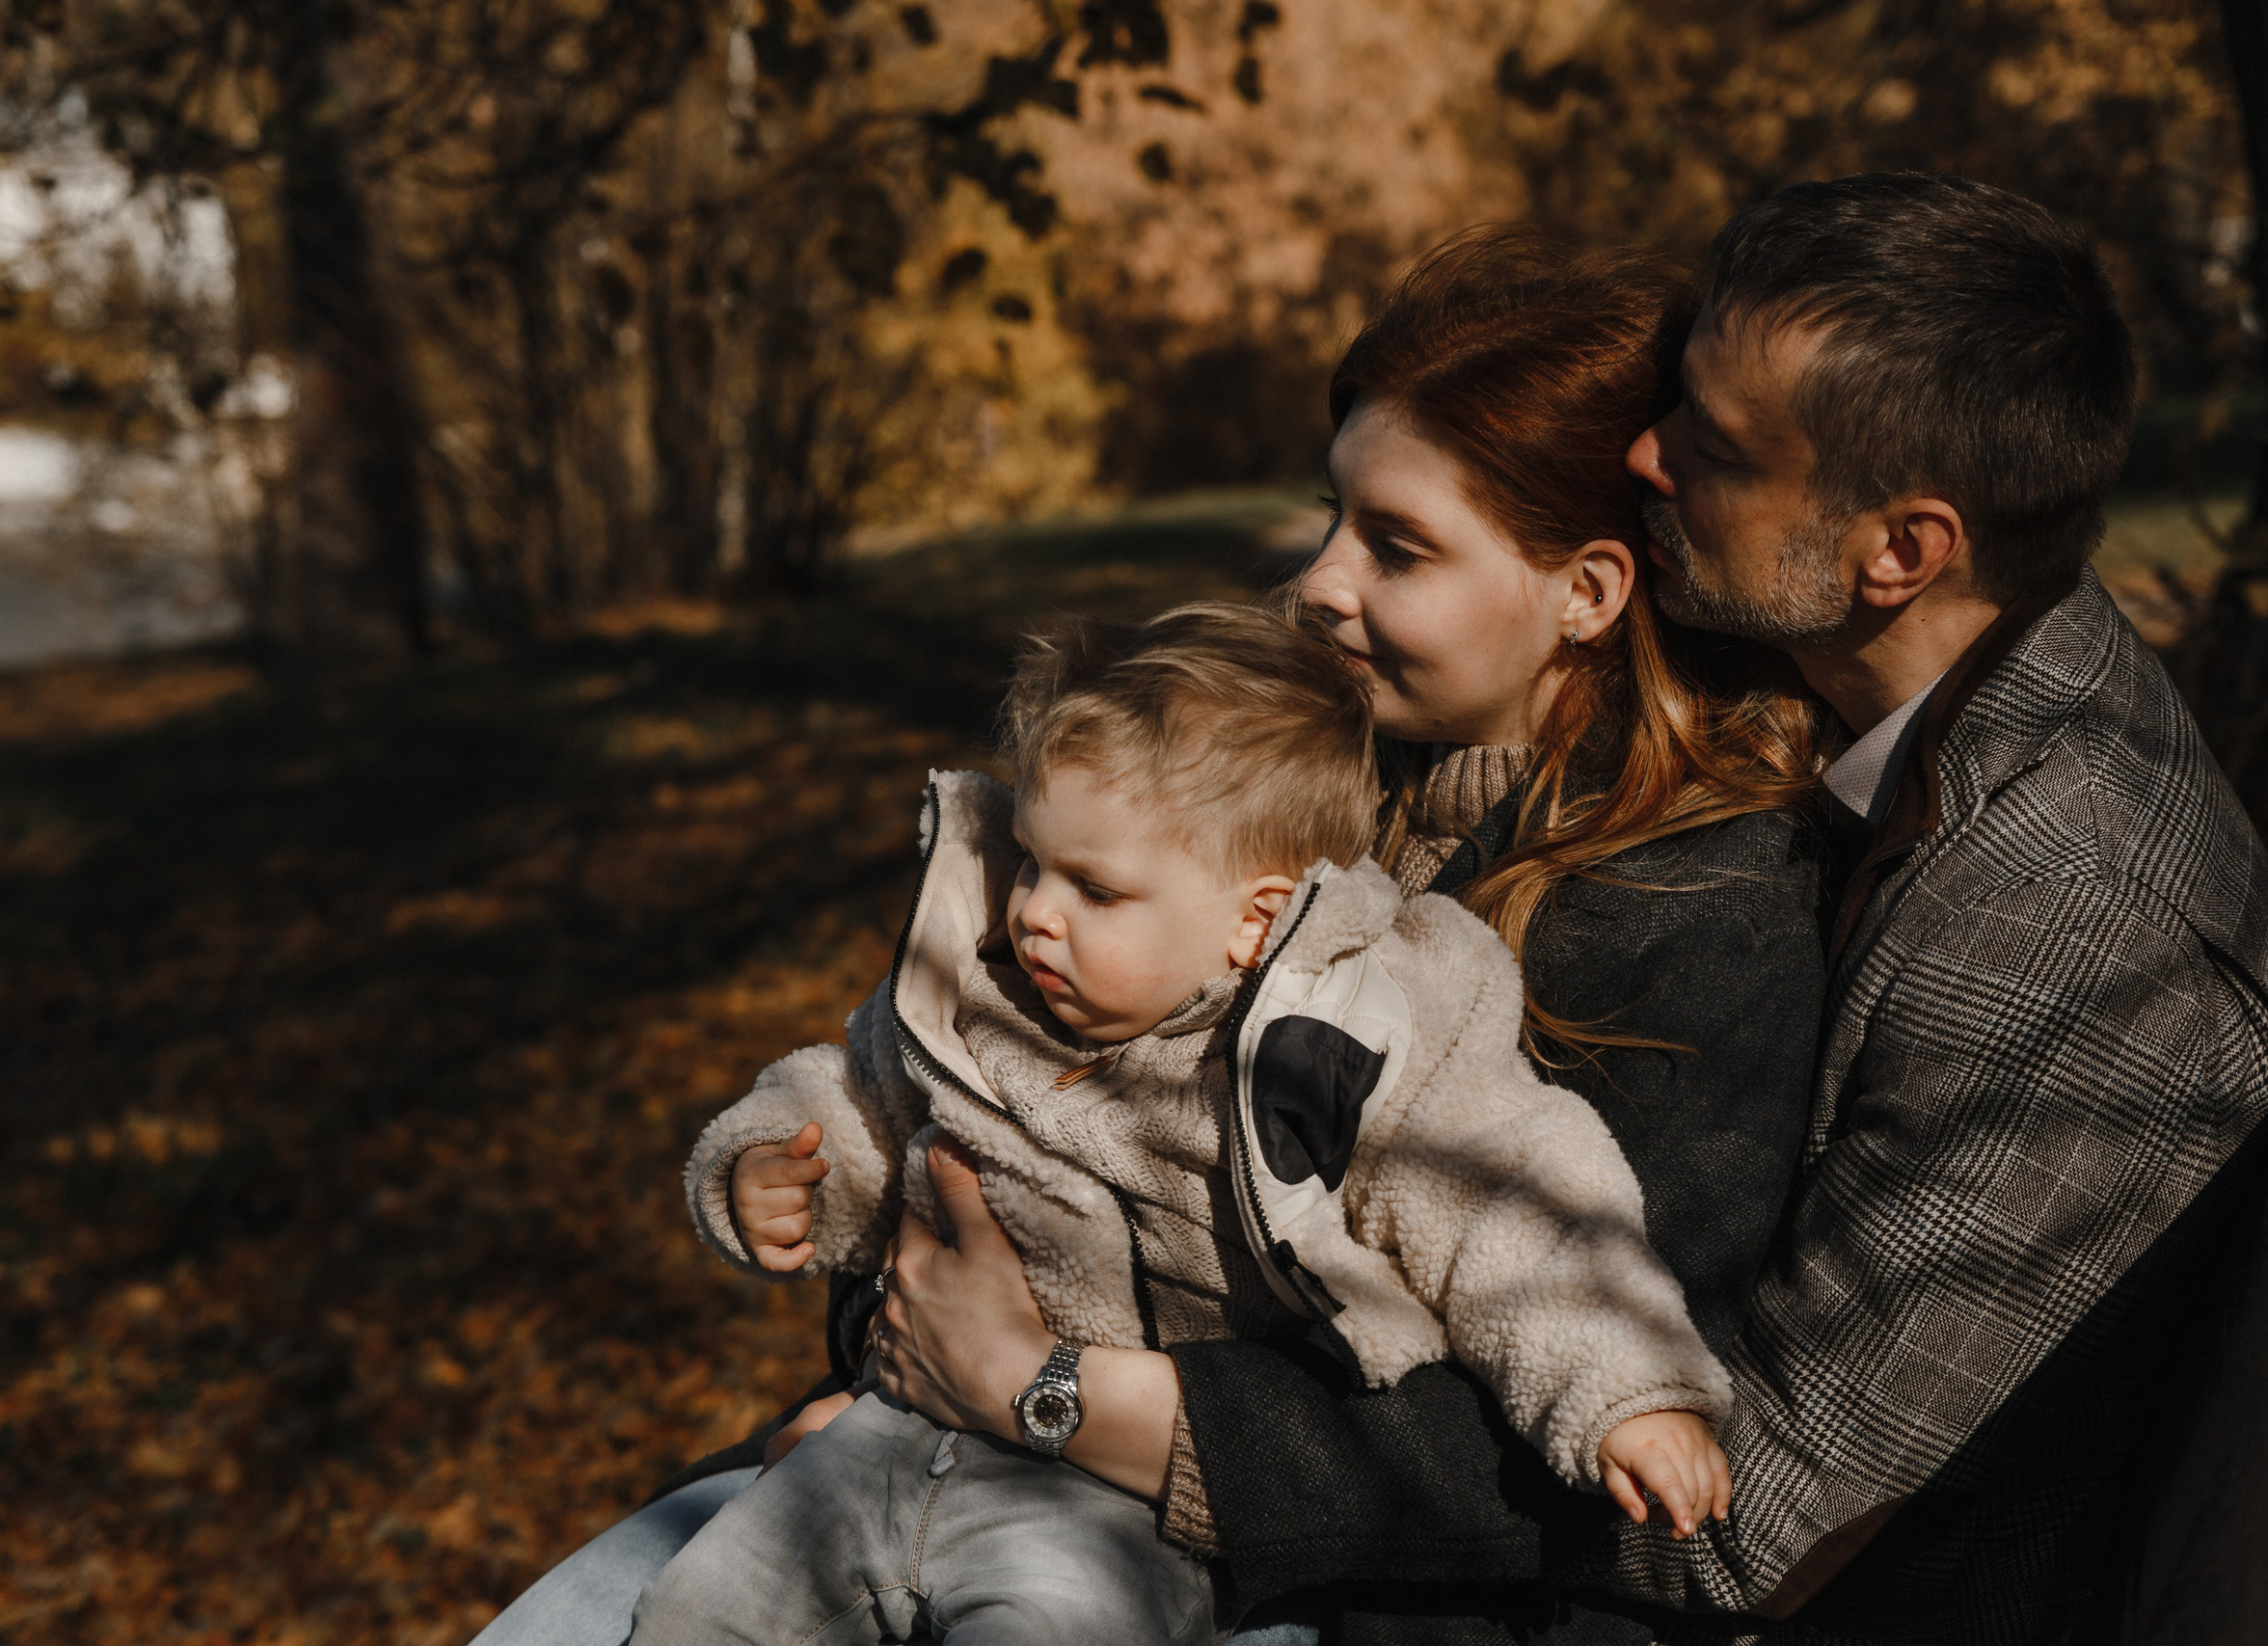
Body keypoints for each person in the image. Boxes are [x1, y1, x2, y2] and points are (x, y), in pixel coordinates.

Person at [469, 228, 1829, 1646]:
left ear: (1588, 591)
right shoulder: (1255, 763)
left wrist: (1038, 1391)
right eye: (1332, 518)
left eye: (1398, 545)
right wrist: (897, 1349)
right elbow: (973, 1094)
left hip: (1316, 1581)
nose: (1319, 581)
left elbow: (1542, 1401)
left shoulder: (1700, 918)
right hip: (943, 1450)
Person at [625, 601, 1739, 1646]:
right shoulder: (980, 993)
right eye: (1029, 860)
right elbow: (857, 1096)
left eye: (1093, 891)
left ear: (1253, 923)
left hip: (1109, 1500)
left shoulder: (1352, 1043)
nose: (1034, 913)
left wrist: (1625, 1397)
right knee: (697, 1612)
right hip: (885, 1436)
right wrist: (773, 1170)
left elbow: (1518, 1208)